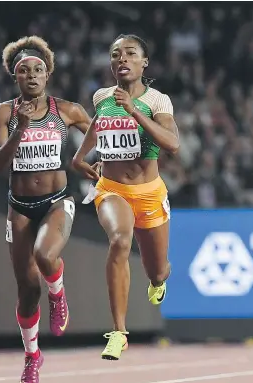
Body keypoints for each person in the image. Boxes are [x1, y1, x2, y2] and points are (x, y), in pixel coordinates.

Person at [0, 36, 92, 383]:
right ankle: (32, 357)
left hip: (56, 200)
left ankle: (58, 292)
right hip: (19, 207)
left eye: (38, 69)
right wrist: (18, 131)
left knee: (45, 255)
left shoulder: (65, 110)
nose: (32, 75)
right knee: (26, 289)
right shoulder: (3, 113)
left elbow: (99, 132)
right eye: (24, 71)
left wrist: (88, 163)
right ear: (14, 77)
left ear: (48, 74)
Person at [72, 34, 179, 361]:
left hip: (149, 194)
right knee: (119, 240)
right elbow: (99, 126)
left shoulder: (158, 101)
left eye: (130, 53)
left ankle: (159, 279)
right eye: (116, 54)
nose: (122, 59)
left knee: (156, 270)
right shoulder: (102, 96)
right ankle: (118, 332)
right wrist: (80, 156)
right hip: (111, 189)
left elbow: (172, 143)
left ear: (143, 62)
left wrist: (134, 111)